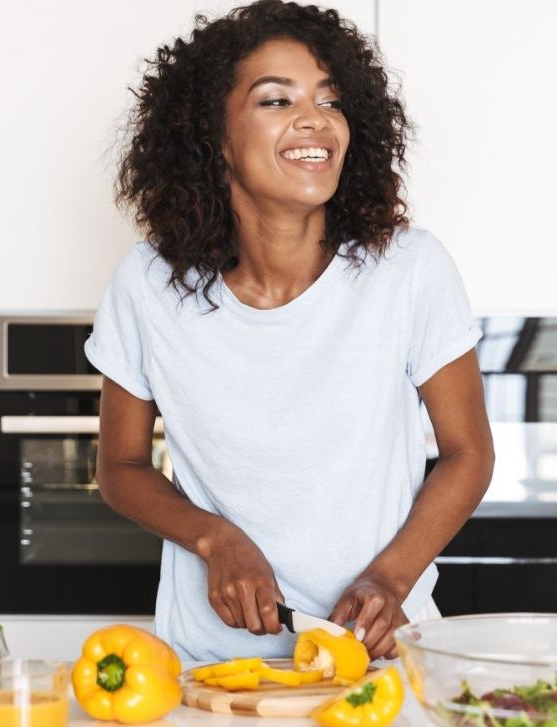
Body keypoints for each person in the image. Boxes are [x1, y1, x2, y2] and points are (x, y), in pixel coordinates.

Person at [85, 0, 495, 662]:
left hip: (379, 653)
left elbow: (468, 452)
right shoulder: (147, 285)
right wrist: (215, 539)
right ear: (214, 137)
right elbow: (121, 466)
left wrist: (390, 578)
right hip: (214, 665)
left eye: (330, 101)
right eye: (277, 100)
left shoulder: (409, 269)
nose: (314, 119)